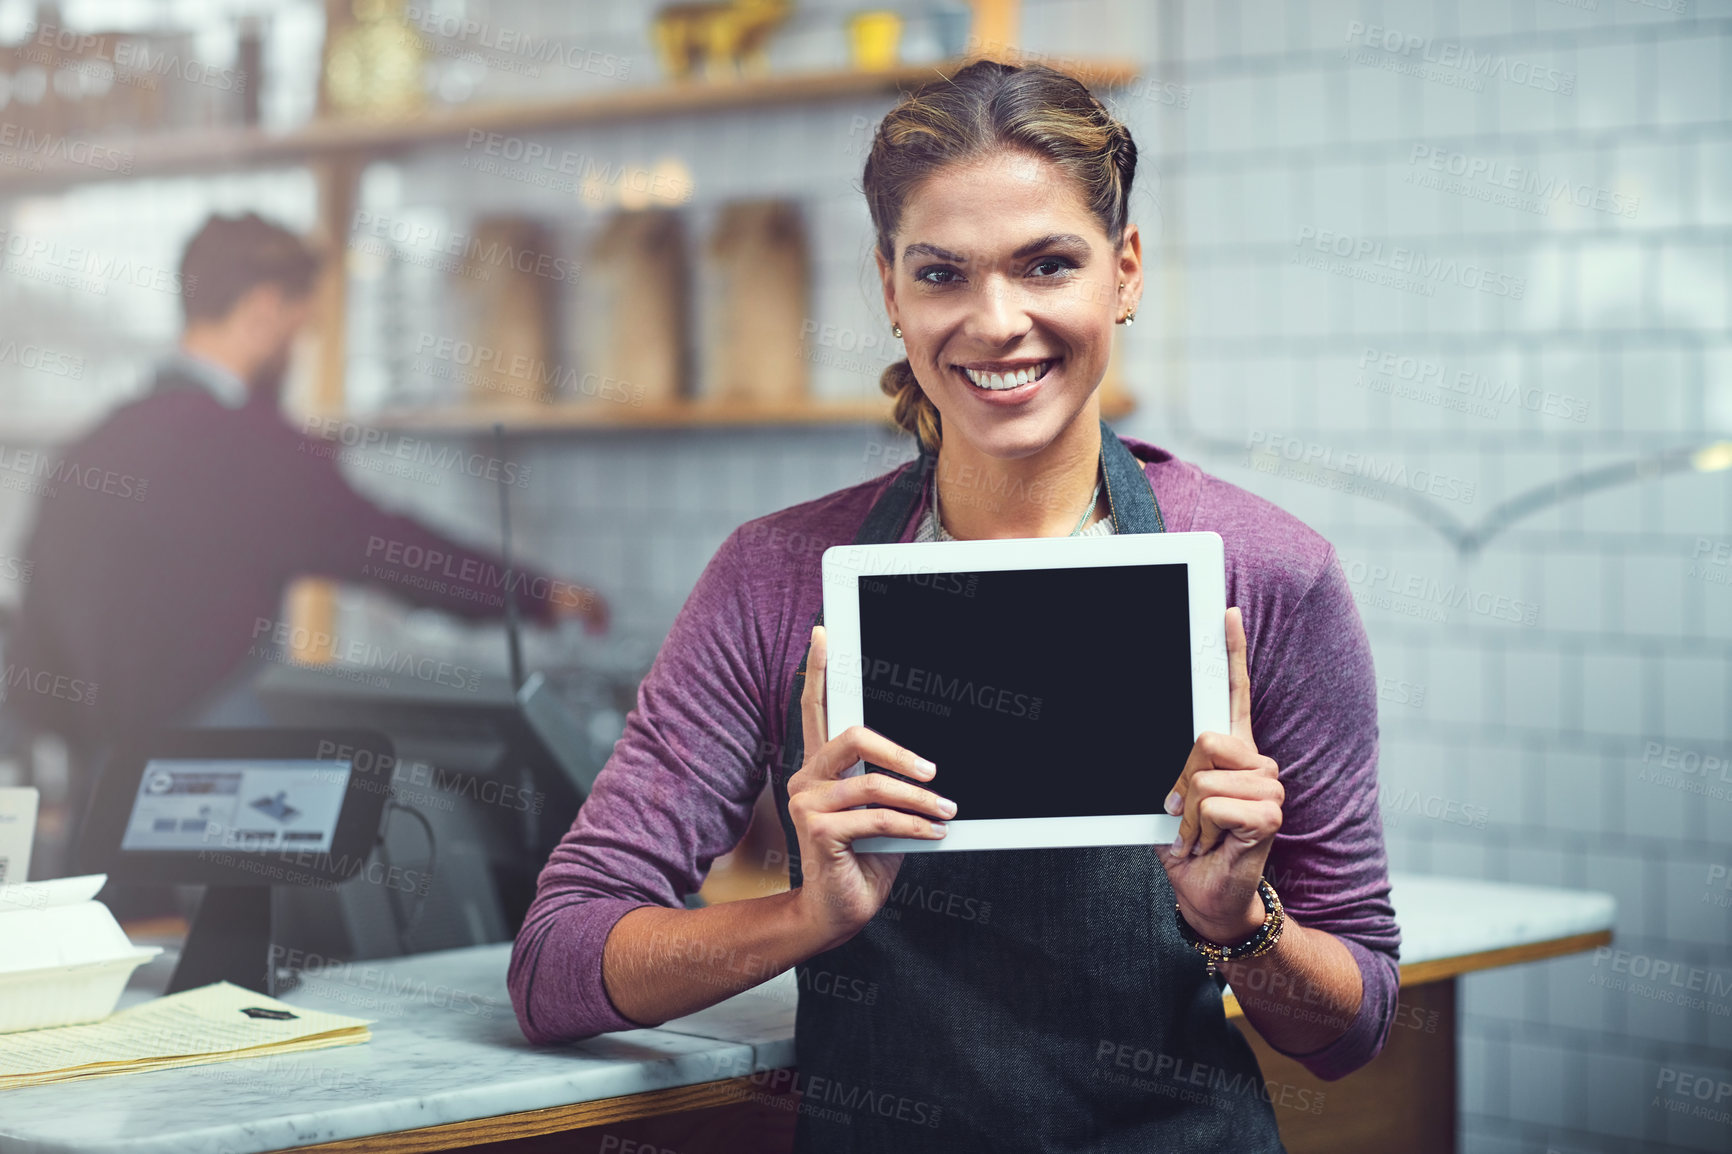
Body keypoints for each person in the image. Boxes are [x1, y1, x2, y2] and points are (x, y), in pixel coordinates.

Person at [509, 61, 1398, 1151]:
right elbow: (555, 962)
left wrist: (1240, 924)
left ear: (1123, 271)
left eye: (1046, 264)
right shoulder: (775, 575)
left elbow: (1354, 1025)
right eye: (942, 274)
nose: (997, 320)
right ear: (889, 290)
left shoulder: (1268, 572)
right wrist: (806, 916)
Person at [4, 212, 608, 822]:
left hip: (101, 805)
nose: (296, 353)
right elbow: (389, 549)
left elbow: (35, 635)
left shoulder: (89, 448)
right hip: (216, 802)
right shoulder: (252, 446)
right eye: (300, 332)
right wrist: (537, 595)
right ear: (264, 310)